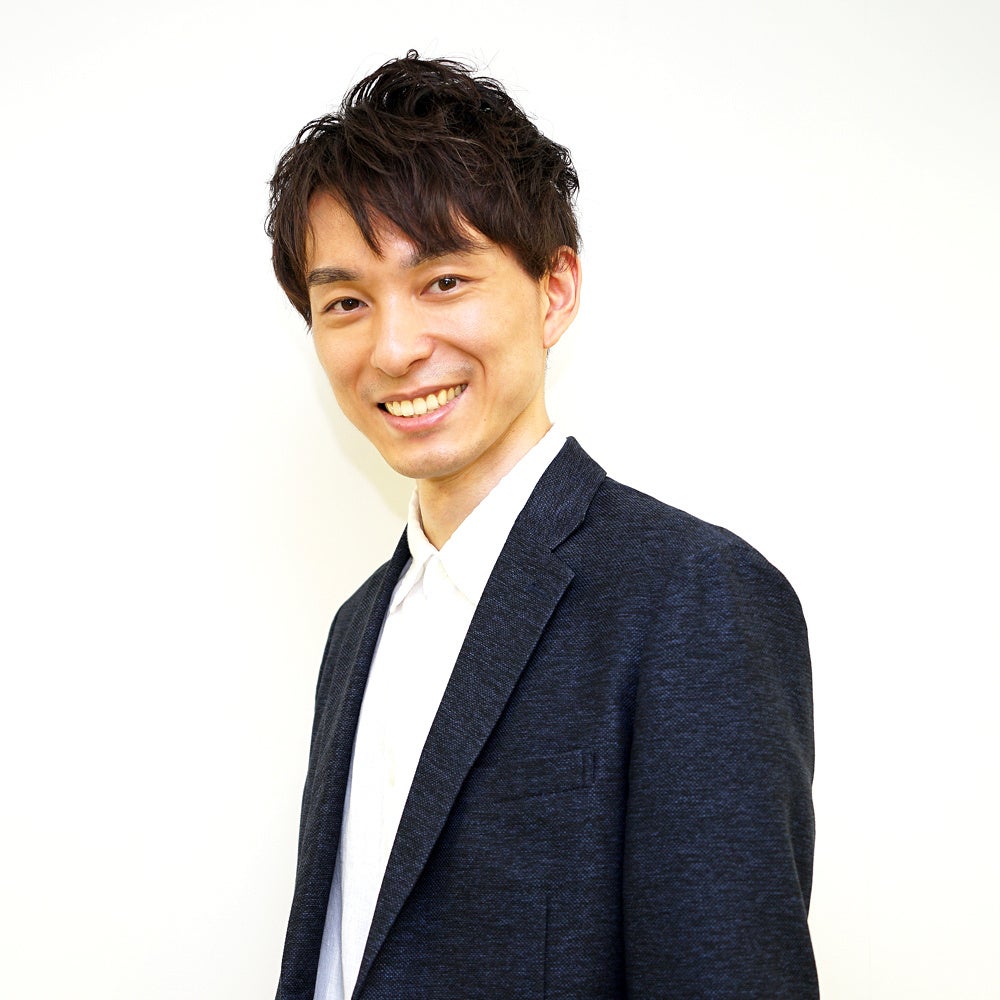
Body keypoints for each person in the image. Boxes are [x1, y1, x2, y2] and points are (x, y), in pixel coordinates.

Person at [266, 51, 818, 1000]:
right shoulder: (357, 630)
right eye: (346, 302)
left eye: (444, 281)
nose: (394, 349)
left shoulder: (693, 597)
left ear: (554, 290)